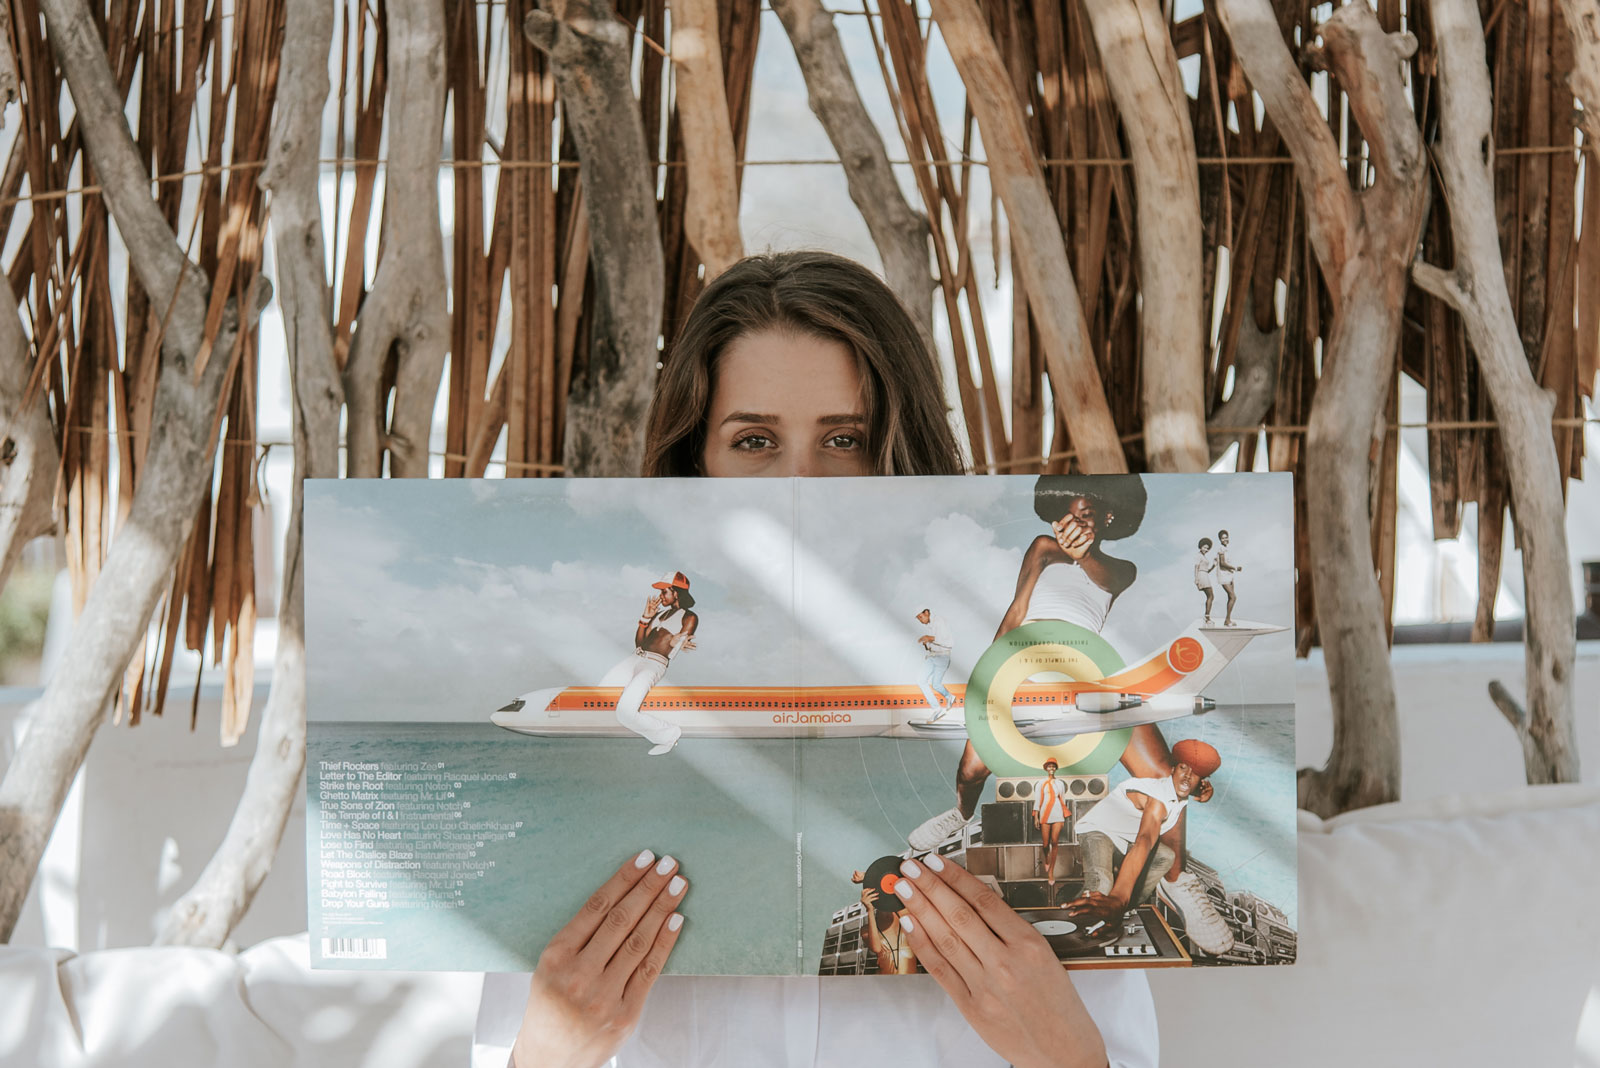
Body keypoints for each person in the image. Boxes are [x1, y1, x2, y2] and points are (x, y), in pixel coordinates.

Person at [478, 252, 1157, 1068]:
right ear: (697, 467)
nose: (799, 481)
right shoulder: (572, 857)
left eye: (845, 439)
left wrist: (1062, 1053)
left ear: (903, 460)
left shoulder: (1019, 758)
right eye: (754, 439)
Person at [907, 474, 1144, 851]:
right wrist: (987, 673)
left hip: (1076, 672)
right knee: (970, 771)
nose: (1077, 524)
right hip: (1018, 664)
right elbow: (1016, 611)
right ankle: (960, 815)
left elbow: (1109, 576)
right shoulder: (1044, 547)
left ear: (1108, 517)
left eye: (1087, 515)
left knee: (1114, 763)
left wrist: (1084, 555)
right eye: (1070, 516)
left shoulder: (1122, 569)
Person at [1066, 740, 1235, 957]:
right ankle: (1072, 926)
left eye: (1194, 774)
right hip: (1099, 831)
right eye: (1183, 768)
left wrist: (1202, 793)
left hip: (1123, 837)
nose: (1186, 776)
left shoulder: (1180, 790)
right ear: (1172, 769)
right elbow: (1144, 842)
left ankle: (1121, 910)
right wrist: (1118, 897)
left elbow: (1189, 788)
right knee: (1102, 884)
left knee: (1166, 856)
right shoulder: (1158, 801)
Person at [598, 571, 698, 755]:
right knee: (601, 691)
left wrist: (678, 641)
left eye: (664, 591)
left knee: (625, 712)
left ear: (676, 593)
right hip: (635, 657)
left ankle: (669, 734)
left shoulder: (689, 617)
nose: (660, 596)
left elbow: (677, 643)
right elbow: (640, 643)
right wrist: (645, 618)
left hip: (654, 664)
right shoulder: (660, 614)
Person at [850, 868, 920, 974]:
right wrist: (869, 910)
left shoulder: (903, 916)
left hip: (909, 982)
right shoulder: (866, 930)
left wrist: (867, 877)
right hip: (885, 981)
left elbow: (897, 881)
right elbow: (877, 948)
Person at [1033, 758, 1069, 897]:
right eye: (1049, 766)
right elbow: (1037, 800)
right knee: (1045, 843)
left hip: (1058, 814)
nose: (1051, 768)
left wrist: (1064, 817)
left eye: (1053, 766)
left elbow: (1063, 799)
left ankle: (1051, 872)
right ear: (1046, 768)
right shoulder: (1041, 783)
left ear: (1056, 768)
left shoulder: (1060, 783)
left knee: (1055, 842)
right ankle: (1046, 860)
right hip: (1045, 814)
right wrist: (1035, 816)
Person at [914, 607, 958, 720]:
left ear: (927, 612)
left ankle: (949, 697)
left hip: (942, 657)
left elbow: (948, 642)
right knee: (921, 680)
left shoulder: (939, 621)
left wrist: (929, 638)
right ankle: (937, 708)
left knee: (935, 684)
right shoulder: (930, 625)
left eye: (920, 616)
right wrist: (926, 644)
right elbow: (932, 645)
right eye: (918, 618)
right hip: (933, 656)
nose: (920, 620)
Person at [1216, 529, 1243, 626]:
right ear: (1220, 540)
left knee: (1230, 597)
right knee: (1233, 597)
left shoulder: (1226, 548)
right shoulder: (1221, 549)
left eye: (1226, 537)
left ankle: (1228, 620)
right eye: (1223, 538)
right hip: (1223, 576)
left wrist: (1233, 569)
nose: (1225, 539)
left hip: (1229, 574)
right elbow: (1222, 564)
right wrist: (1235, 568)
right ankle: (1227, 620)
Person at [1195, 537, 1216, 624]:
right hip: (1201, 575)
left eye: (1207, 548)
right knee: (1210, 596)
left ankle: (1207, 616)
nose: (1206, 549)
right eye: (1204, 547)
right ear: (1200, 547)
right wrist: (1196, 579)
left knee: (1210, 596)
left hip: (1205, 575)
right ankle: (1207, 617)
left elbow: (1207, 571)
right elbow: (1196, 567)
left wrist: (1214, 565)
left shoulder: (1203, 556)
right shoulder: (1198, 555)